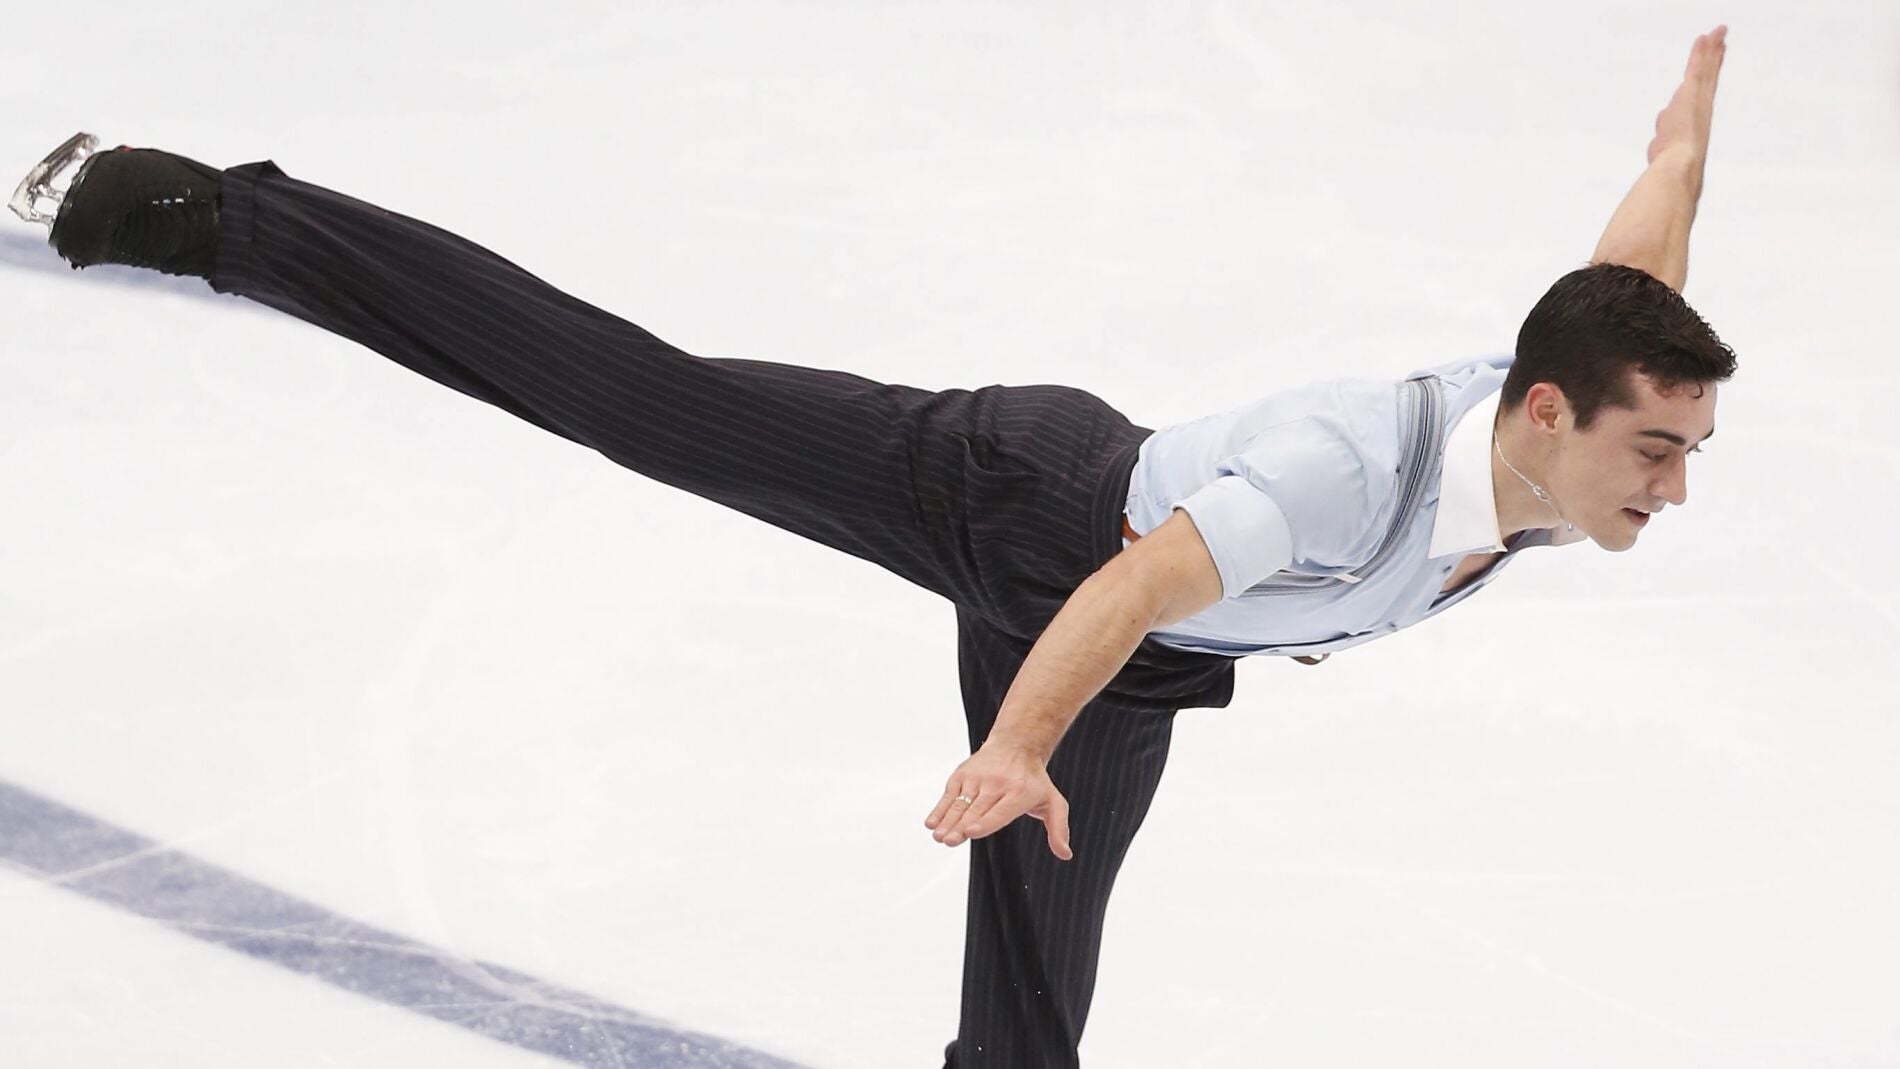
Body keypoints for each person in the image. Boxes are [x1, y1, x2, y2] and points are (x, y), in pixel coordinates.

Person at [10, 25, 1734, 1069]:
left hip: (1137, 654)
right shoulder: (1351, 473)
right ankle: (200, 212)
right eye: (1653, 448)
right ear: (1540, 411)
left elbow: (1641, 252)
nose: (1671, 487)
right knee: (631, 395)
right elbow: (1125, 585)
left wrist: (1681, 150)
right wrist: (1015, 748)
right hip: (1021, 502)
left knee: (1034, 1006)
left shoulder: (1553, 425)